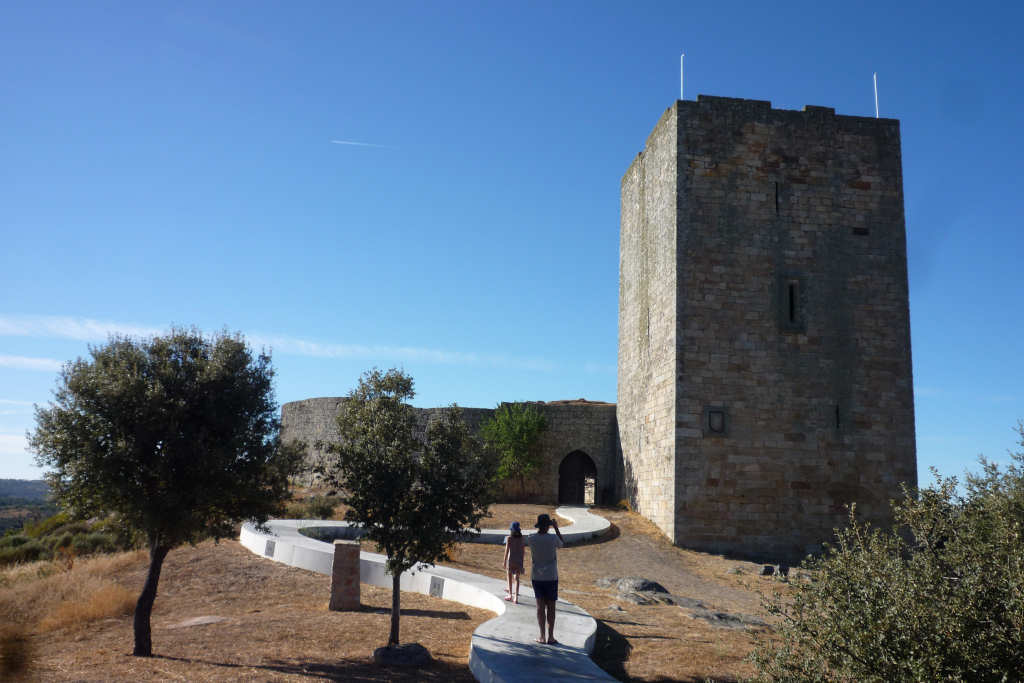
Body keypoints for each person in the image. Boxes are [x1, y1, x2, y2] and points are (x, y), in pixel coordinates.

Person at [526, 513, 564, 644]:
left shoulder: (531, 538)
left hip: (537, 576)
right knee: (551, 607)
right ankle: (551, 636)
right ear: (548, 526)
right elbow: (562, 544)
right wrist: (556, 527)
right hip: (551, 576)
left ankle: (542, 636)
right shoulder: (553, 538)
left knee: (540, 607)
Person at [502, 521, 525, 603]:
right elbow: (523, 551)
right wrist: (522, 563)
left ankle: (510, 595)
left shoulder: (509, 538)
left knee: (509, 576)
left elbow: (506, 551)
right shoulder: (522, 539)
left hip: (511, 560)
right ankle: (516, 597)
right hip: (518, 560)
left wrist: (504, 561)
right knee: (517, 578)